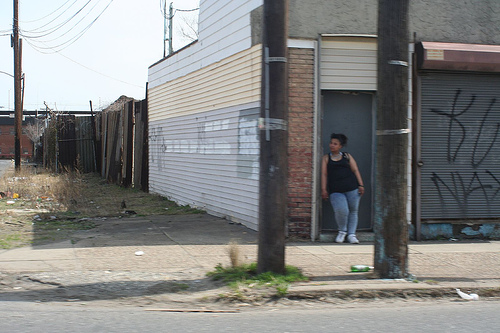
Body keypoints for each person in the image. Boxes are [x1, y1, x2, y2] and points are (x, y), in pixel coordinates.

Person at [321, 133, 364, 243]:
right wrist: (323, 189)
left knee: (353, 211)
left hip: (352, 188)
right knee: (341, 210)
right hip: (335, 190)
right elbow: (324, 174)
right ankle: (342, 231)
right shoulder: (326, 158)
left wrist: (361, 185)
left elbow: (355, 170)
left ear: (340, 146)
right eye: (331, 143)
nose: (332, 145)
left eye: (335, 144)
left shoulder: (347, 156)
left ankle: (351, 235)